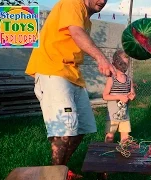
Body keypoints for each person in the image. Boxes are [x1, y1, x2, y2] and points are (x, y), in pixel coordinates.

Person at [25, 0, 115, 178]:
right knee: (64, 130)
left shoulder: (85, 17)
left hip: (72, 74)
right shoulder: (72, 3)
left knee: (82, 128)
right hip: (52, 70)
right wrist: (101, 58)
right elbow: (76, 32)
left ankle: (62, 170)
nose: (102, 1)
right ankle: (54, 175)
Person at [103, 50, 136, 143]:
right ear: (114, 64)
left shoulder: (129, 80)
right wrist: (119, 97)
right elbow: (105, 96)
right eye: (121, 63)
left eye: (126, 63)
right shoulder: (111, 79)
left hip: (125, 115)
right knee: (110, 136)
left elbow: (132, 93)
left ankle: (123, 155)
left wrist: (132, 96)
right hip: (112, 116)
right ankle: (107, 154)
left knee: (125, 138)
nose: (123, 66)